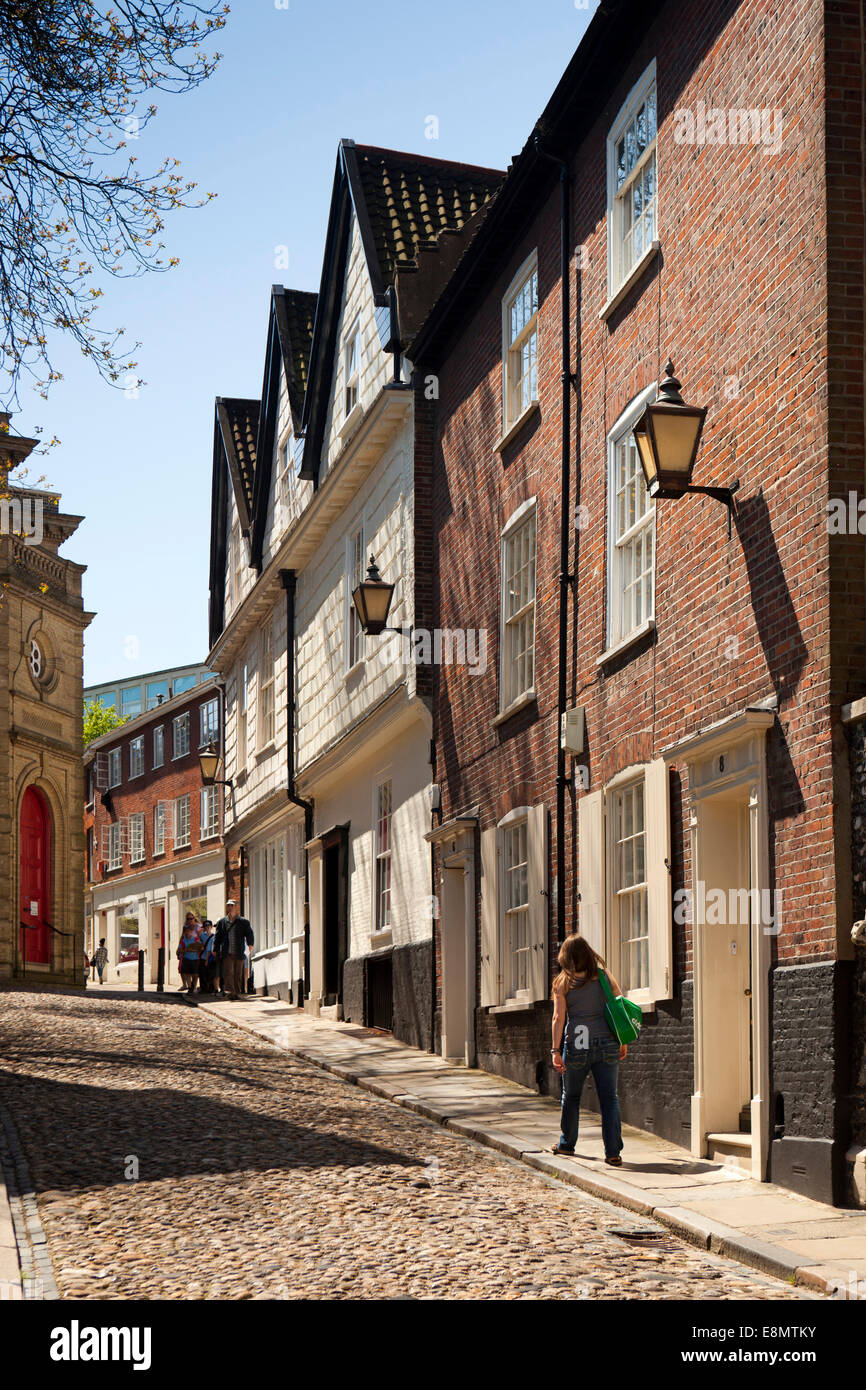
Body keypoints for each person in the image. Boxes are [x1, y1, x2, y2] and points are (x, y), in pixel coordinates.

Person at [550, 933, 627, 1166]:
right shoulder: (603, 976)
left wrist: (555, 1051)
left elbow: (558, 1018)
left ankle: (566, 1144)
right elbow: (619, 1005)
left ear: (565, 957)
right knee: (609, 1098)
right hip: (607, 1042)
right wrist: (622, 1040)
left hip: (578, 1044)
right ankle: (613, 1152)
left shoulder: (562, 983)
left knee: (571, 1096)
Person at [215, 900, 254, 999]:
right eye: (228, 905)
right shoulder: (222, 922)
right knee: (228, 972)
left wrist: (250, 943)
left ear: (236, 907)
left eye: (232, 905)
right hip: (227, 951)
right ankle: (230, 992)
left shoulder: (243, 921)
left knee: (238, 973)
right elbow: (217, 936)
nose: (230, 907)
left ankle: (237, 992)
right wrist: (215, 949)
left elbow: (249, 933)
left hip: (239, 951)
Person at [177, 914, 202, 995]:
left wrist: (193, 949)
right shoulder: (183, 939)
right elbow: (180, 947)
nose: (190, 920)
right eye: (188, 918)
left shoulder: (196, 937)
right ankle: (190, 987)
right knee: (186, 973)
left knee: (195, 974)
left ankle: (194, 987)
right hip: (186, 958)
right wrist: (183, 950)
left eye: (191, 918)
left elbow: (201, 946)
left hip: (195, 958)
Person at [198, 919, 216, 995]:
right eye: (206, 926)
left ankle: (211, 988)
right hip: (203, 957)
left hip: (211, 958)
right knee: (202, 973)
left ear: (211, 927)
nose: (207, 927)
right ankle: (203, 988)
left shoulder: (214, 936)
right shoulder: (202, 935)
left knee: (210, 974)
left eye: (209, 926)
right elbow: (198, 944)